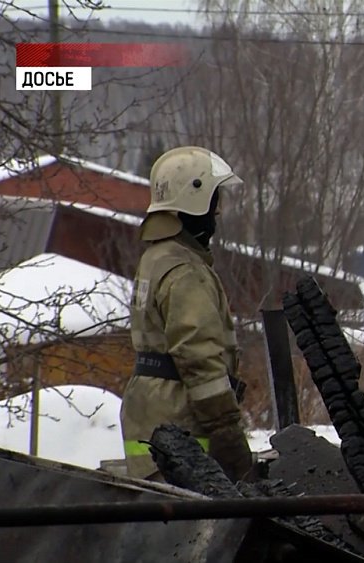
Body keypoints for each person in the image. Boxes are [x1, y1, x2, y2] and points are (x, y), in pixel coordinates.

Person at [120, 146, 253, 482]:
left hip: (150, 411)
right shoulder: (184, 270)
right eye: (213, 201)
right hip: (184, 422)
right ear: (195, 201)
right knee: (198, 527)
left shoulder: (155, 259)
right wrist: (225, 429)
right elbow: (199, 357)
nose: (217, 213)